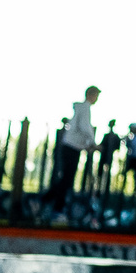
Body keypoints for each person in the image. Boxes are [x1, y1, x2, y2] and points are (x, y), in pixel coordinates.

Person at [49, 86, 99, 216]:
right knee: (67, 178)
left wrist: (87, 144)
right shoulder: (85, 108)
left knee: (66, 178)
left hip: (72, 146)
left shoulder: (81, 108)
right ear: (91, 95)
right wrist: (92, 143)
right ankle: (55, 206)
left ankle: (52, 203)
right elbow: (84, 127)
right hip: (72, 147)